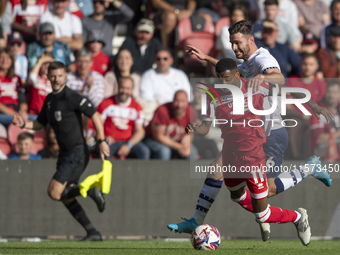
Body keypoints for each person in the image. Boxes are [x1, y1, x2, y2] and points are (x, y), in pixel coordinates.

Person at [168, 20, 332, 242]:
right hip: (245, 133)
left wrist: (264, 78)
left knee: (268, 191)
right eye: (232, 44)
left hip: (270, 133)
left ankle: (307, 172)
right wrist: (208, 59)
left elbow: (279, 78)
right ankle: (197, 220)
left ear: (251, 40)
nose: (234, 49)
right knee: (226, 182)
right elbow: (233, 73)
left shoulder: (263, 59)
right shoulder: (245, 65)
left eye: (238, 43)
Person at [182, 58, 312, 246]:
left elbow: (284, 88)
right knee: (236, 196)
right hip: (230, 155)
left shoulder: (255, 87)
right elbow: (205, 128)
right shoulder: (213, 97)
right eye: (220, 79)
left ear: (237, 74)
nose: (224, 83)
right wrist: (195, 127)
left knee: (262, 214)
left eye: (227, 79)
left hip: (253, 157)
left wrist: (313, 106)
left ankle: (298, 217)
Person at [12, 61, 110, 241]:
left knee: (54, 192)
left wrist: (101, 139)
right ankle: (93, 232)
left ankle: (90, 191)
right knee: (65, 196)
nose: (56, 79)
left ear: (65, 76)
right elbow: (40, 123)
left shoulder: (70, 96)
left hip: (77, 152)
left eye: (59, 76)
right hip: (65, 153)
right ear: (48, 77)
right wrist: (24, 124)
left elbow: (94, 114)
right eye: (53, 76)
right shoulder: (50, 99)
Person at [97, 77, 150, 159]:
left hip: (128, 141)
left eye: (128, 88)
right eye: (122, 88)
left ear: (132, 90)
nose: (124, 91)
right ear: (117, 87)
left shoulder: (136, 107)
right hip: (110, 141)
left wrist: (129, 145)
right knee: (105, 150)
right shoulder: (106, 103)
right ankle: (106, 172)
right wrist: (103, 138)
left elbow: (140, 131)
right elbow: (97, 126)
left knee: (144, 151)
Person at [286, 53, 327, 159]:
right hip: (296, 116)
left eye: (311, 64)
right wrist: (302, 115)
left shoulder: (321, 83)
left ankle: (313, 158)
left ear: (316, 66)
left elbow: (323, 104)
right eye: (305, 64)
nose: (307, 67)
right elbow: (287, 105)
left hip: (316, 118)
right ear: (300, 65)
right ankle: (297, 159)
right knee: (294, 124)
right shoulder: (292, 81)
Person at [144, 90, 198, 160]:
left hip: (177, 142)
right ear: (173, 101)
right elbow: (158, 136)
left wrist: (188, 137)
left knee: (192, 152)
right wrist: (179, 146)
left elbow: (191, 133)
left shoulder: (192, 112)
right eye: (177, 101)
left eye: (183, 101)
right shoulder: (163, 110)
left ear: (188, 102)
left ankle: (189, 171)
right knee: (164, 151)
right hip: (153, 140)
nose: (179, 105)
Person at [310, 80, 340, 159]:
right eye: (329, 92)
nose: (331, 95)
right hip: (321, 150)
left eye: (334, 92)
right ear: (325, 93)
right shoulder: (318, 111)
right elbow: (319, 140)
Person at [0, 48, 28, 127]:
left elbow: (22, 99)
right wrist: (15, 114)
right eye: (2, 57)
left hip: (16, 111)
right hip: (2, 114)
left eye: (8, 57)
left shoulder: (17, 78)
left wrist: (23, 110)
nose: (5, 60)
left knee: (38, 119)